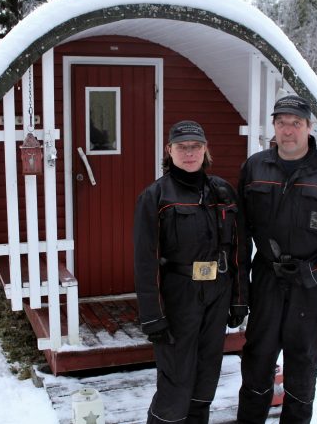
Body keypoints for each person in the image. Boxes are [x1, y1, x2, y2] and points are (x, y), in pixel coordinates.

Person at [236, 95, 317, 423]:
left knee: (302, 367)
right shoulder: (255, 167)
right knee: (256, 363)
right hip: (266, 280)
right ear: (273, 127)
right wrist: (240, 290)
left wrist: (313, 272)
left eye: (296, 123)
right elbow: (239, 232)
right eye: (281, 123)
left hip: (311, 285)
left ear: (309, 128)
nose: (288, 130)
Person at [134, 120, 249, 424]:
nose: (189, 153)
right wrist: (152, 315)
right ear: (169, 150)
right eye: (181, 147)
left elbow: (238, 249)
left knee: (207, 374)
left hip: (218, 292)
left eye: (195, 146)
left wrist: (239, 298)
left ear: (205, 150)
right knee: (176, 380)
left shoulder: (223, 192)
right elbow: (146, 260)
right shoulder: (155, 197)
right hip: (178, 296)